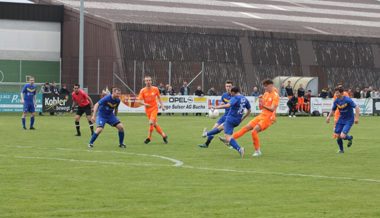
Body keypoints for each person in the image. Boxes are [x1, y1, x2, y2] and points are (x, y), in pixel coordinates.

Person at [222, 79, 279, 157]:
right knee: (246, 127)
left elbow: (272, 109)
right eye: (264, 87)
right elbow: (261, 108)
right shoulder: (265, 94)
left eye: (266, 87)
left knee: (254, 131)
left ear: (271, 85)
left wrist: (263, 105)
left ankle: (257, 151)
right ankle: (230, 140)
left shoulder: (275, 95)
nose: (265, 88)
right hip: (262, 115)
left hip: (269, 118)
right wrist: (260, 101)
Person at [203, 86, 251, 157]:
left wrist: (215, 107)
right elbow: (249, 110)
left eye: (231, 93)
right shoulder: (245, 99)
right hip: (237, 120)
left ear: (233, 92)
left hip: (230, 119)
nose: (230, 94)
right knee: (220, 128)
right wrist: (243, 118)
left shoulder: (235, 98)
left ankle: (240, 149)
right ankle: (206, 134)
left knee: (228, 137)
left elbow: (228, 105)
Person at [198, 80, 233, 148]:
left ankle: (231, 144)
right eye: (227, 86)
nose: (228, 88)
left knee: (226, 133)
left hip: (231, 116)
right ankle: (206, 144)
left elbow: (228, 105)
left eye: (229, 86)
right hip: (225, 115)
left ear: (232, 87)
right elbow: (223, 103)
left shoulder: (234, 96)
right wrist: (215, 108)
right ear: (225, 87)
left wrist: (216, 107)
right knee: (214, 128)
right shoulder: (224, 95)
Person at [326, 87, 360, 153]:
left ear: (341, 93)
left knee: (342, 135)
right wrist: (328, 117)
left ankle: (349, 138)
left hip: (349, 119)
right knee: (337, 135)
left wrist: (356, 118)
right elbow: (333, 109)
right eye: (335, 93)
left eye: (337, 93)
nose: (336, 94)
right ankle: (341, 150)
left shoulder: (348, 100)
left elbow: (357, 107)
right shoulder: (336, 101)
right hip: (341, 119)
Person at [137, 76, 168, 144]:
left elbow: (159, 98)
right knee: (154, 124)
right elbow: (139, 101)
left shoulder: (155, 89)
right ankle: (164, 135)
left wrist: (162, 106)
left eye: (149, 80)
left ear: (151, 81)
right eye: (146, 80)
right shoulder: (142, 90)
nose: (148, 82)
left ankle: (149, 138)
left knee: (151, 122)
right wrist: (145, 104)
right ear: (145, 82)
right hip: (147, 110)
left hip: (154, 108)